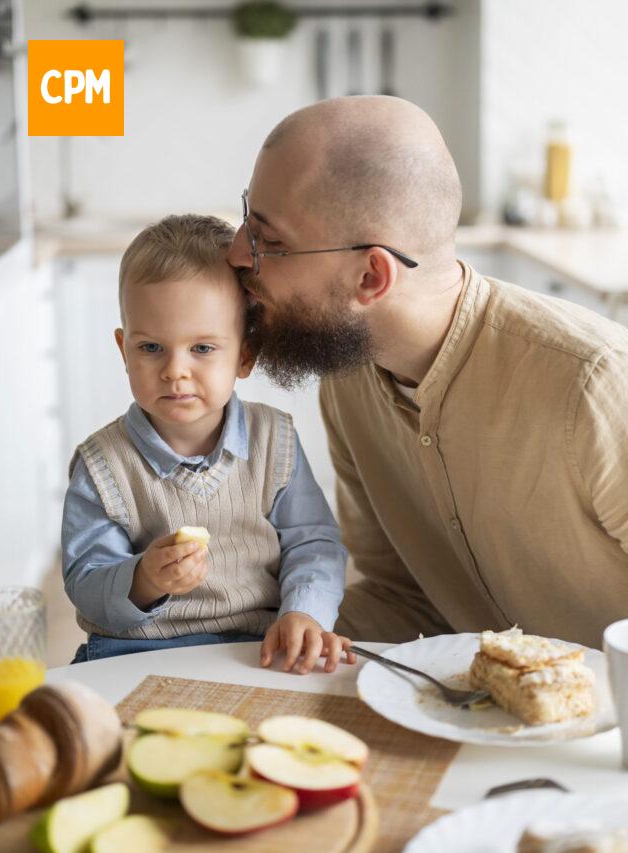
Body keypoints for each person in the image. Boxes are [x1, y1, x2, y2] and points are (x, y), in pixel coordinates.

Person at [228, 95, 628, 649]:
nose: (235, 254)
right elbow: (403, 595)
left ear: (371, 277)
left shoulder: (596, 385)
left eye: (269, 242)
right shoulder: (348, 381)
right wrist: (246, 630)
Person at [62, 213, 353, 672]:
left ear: (245, 356)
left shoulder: (273, 441)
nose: (175, 370)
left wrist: (304, 612)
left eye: (202, 349)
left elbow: (312, 542)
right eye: (151, 348)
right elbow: (87, 583)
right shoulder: (102, 464)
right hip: (138, 649)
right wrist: (143, 580)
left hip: (257, 642)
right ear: (123, 350)